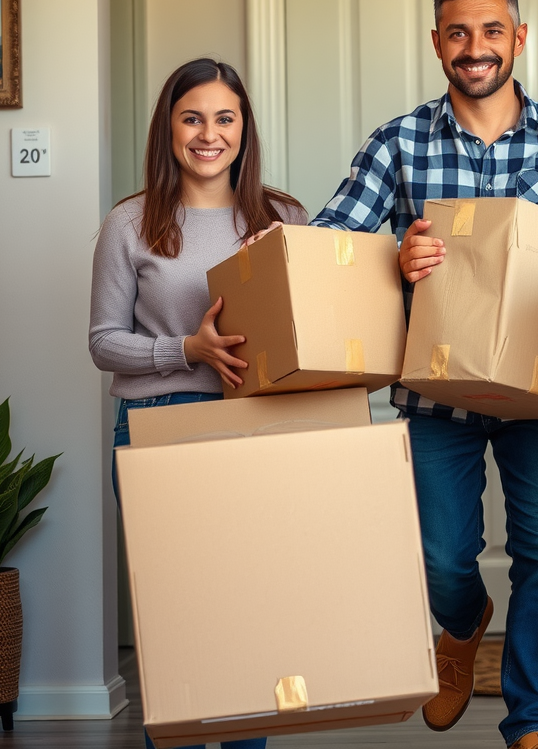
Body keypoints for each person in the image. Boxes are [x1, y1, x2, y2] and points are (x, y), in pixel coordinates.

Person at [311, 0, 538, 749]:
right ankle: (461, 625)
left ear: (519, 38)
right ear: (436, 43)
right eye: (458, 32)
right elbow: (329, 249)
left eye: (492, 31)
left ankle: (534, 724)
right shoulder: (399, 141)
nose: (475, 47)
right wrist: (394, 253)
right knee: (442, 557)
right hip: (435, 399)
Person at [89, 57, 306, 749]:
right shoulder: (130, 223)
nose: (208, 134)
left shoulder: (283, 217)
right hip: (159, 426)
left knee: (249, 616)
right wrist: (188, 349)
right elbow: (102, 342)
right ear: (169, 127)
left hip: (258, 429)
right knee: (179, 621)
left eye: (224, 118)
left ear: (243, 128)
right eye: (192, 117)